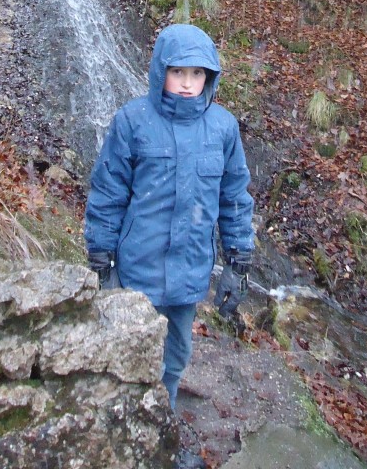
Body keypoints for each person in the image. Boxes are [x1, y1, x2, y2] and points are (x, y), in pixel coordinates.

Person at [85, 23, 255, 469]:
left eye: (196, 74)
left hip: (188, 274)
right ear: (160, 70)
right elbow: (108, 191)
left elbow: (234, 196)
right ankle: (121, 439)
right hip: (136, 271)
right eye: (177, 71)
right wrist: (101, 258)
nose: (186, 82)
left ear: (209, 78)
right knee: (127, 358)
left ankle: (160, 437)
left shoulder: (222, 128)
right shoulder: (133, 121)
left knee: (174, 359)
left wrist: (239, 260)